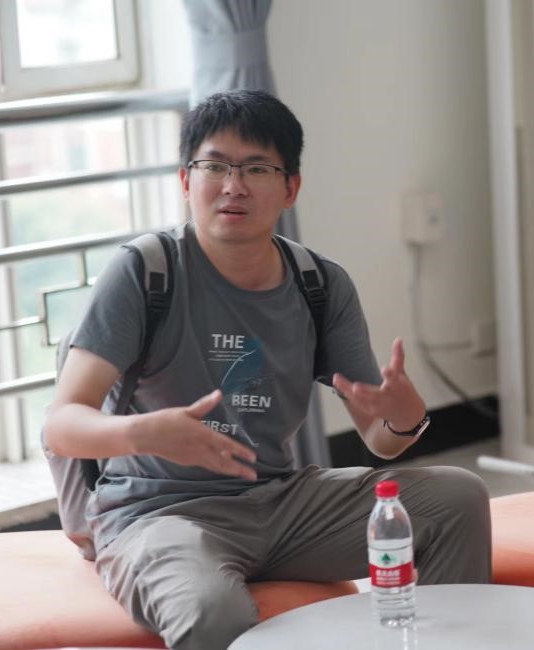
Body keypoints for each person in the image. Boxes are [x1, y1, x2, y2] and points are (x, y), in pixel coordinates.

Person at [45, 89, 492, 650]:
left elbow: (382, 441)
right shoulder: (145, 271)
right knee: (212, 610)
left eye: (257, 168)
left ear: (290, 188)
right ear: (186, 180)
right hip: (158, 515)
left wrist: (406, 414)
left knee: (457, 498)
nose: (233, 185)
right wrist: (143, 432)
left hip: (279, 501)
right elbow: (61, 425)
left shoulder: (319, 284)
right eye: (215, 166)